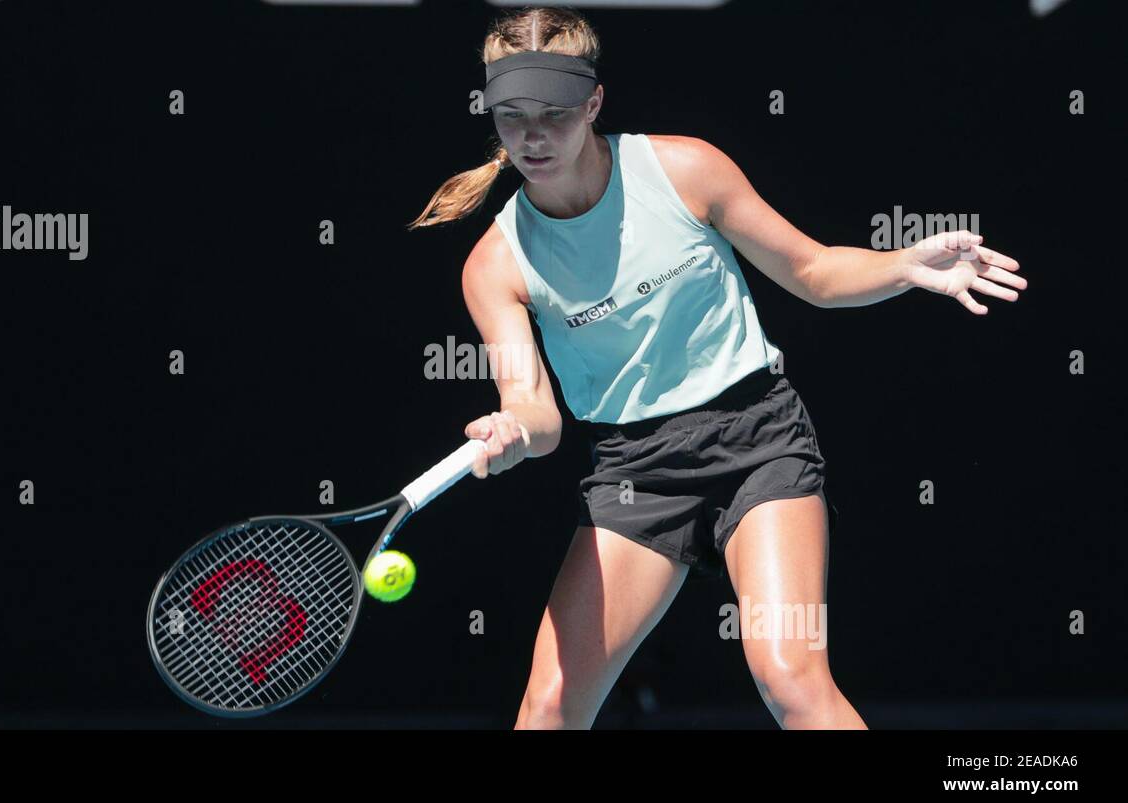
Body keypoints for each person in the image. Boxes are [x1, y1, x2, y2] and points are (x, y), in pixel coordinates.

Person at [407, 7, 1025, 729]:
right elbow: (536, 411)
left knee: (790, 679)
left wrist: (905, 267)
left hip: (757, 439)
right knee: (546, 709)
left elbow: (815, 270)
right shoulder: (495, 263)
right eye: (512, 116)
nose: (533, 137)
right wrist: (513, 429)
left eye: (555, 113)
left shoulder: (685, 169)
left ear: (594, 103)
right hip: (635, 474)